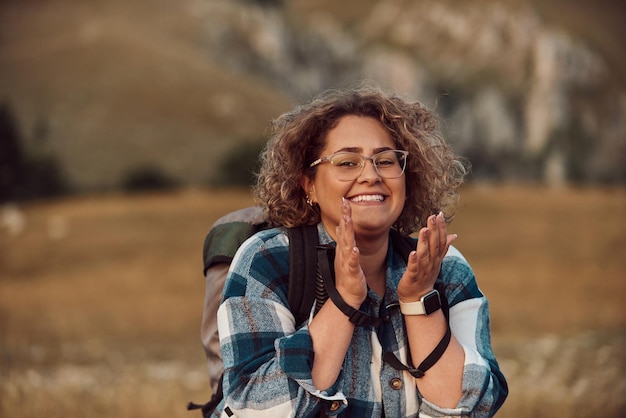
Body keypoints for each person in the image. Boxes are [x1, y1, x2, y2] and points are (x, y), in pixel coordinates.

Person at [214, 83, 508, 417]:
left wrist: (418, 301)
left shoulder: (445, 267)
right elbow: (253, 409)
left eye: (385, 160)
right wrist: (343, 302)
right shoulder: (267, 260)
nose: (371, 175)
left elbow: (473, 407)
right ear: (308, 184)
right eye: (347, 163)